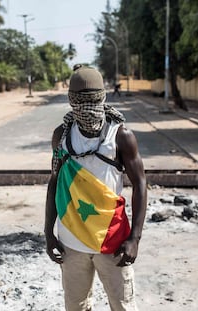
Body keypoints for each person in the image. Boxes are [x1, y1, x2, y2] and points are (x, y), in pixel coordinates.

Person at [44, 65, 147, 310]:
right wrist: (49, 232)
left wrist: (135, 238)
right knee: (76, 306)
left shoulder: (120, 135)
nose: (86, 108)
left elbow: (141, 184)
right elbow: (54, 183)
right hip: (72, 242)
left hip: (112, 242)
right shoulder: (62, 135)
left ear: (102, 97)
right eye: (80, 101)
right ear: (71, 101)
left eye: (90, 100)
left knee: (122, 305)